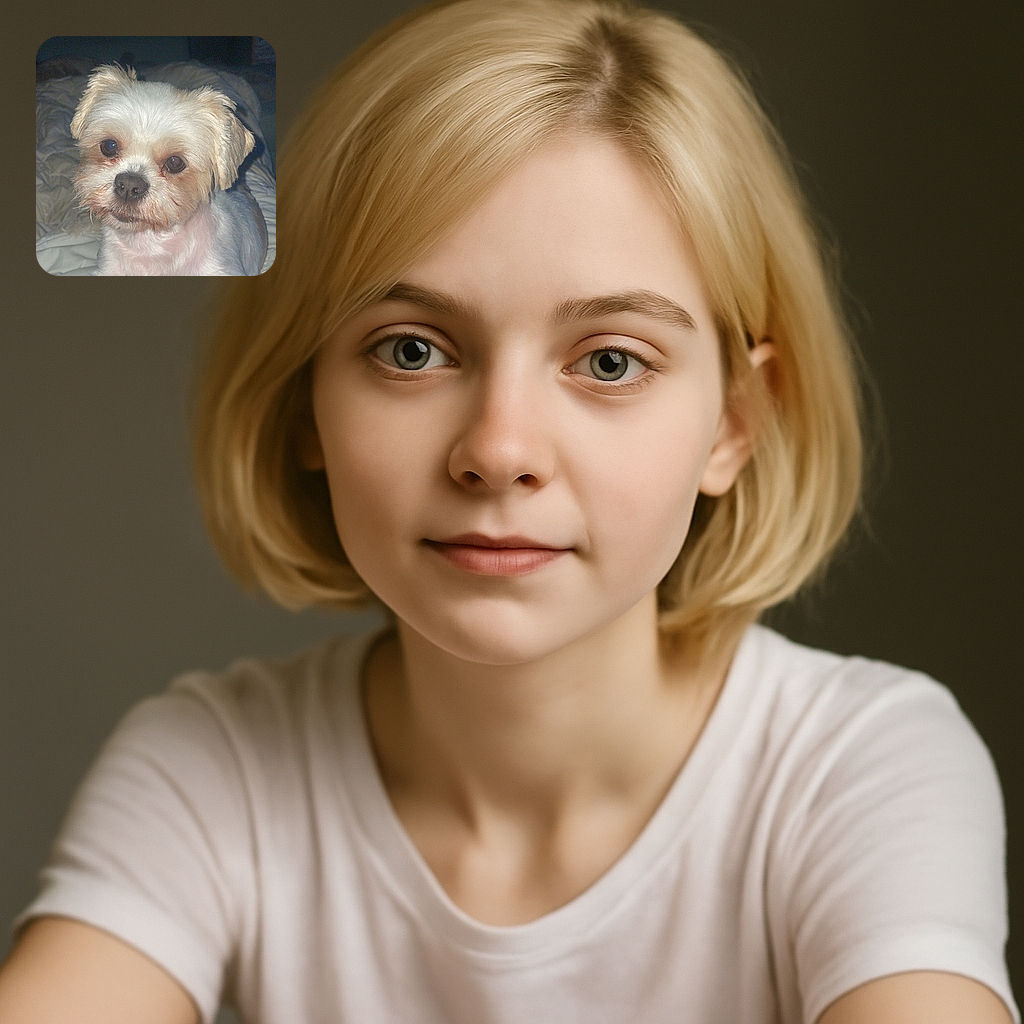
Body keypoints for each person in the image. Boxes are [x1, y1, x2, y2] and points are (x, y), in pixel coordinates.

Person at [1, 1, 1016, 1021]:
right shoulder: (209, 771)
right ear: (301, 396)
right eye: (411, 349)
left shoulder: (856, 764)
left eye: (610, 362)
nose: (498, 450)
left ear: (734, 422)